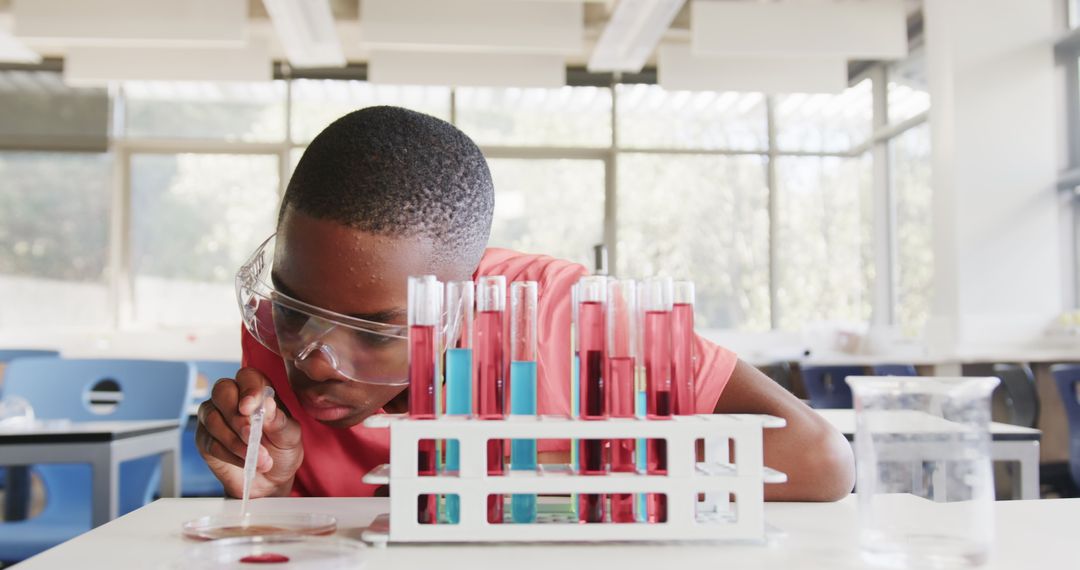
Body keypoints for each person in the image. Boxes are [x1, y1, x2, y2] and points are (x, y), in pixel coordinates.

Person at [196, 106, 854, 502]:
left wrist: (555, 467)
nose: (314, 359)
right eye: (294, 308)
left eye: (375, 331)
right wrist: (272, 487)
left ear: (463, 302)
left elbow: (820, 458)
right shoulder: (287, 318)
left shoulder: (575, 318)